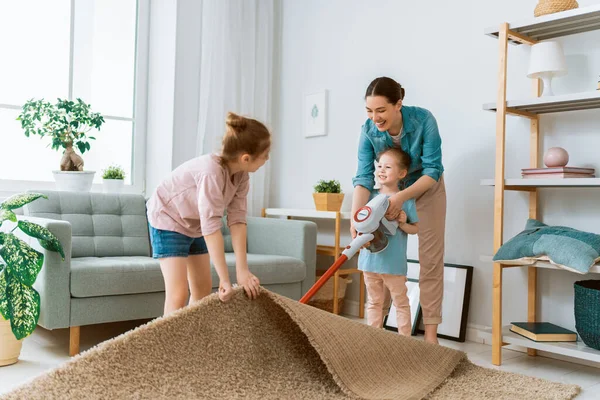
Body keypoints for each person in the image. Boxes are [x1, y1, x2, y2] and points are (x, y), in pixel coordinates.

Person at [352, 77, 446, 344]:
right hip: (386, 191)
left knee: (430, 258)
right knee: (379, 255)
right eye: (369, 111)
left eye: (380, 111)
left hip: (426, 187)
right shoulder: (368, 131)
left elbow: (432, 171)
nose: (375, 118)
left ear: (398, 105)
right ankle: (377, 334)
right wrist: (355, 214)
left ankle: (430, 337)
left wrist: (400, 198)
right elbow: (362, 177)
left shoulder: (423, 120)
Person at [147, 112, 271, 315]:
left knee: (203, 292)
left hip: (195, 223)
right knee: (178, 295)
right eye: (265, 154)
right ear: (246, 158)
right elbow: (212, 227)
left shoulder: (242, 176)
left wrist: (242, 272)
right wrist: (224, 279)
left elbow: (237, 220)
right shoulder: (210, 173)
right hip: (168, 219)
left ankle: (193, 341)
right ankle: (170, 346)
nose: (267, 159)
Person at [358, 148, 418, 335]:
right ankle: (374, 337)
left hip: (393, 263)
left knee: (400, 302)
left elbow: (416, 228)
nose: (381, 170)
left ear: (402, 173)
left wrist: (402, 223)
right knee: (374, 302)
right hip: (370, 261)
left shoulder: (406, 200)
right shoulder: (369, 196)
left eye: (388, 167)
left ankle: (404, 340)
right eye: (380, 166)